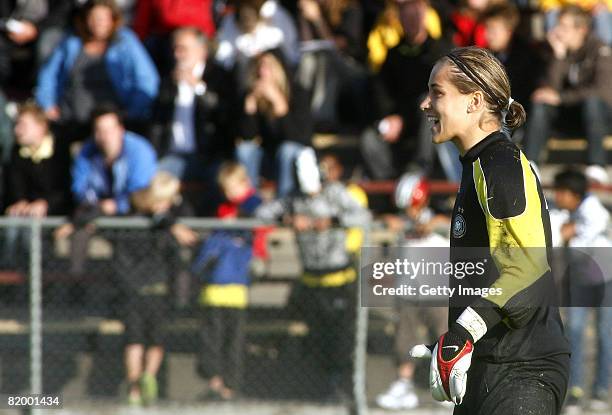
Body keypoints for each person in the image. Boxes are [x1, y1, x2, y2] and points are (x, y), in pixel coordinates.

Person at [412, 46, 570, 414]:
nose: (425, 104)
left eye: (437, 92)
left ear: (475, 101)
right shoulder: (479, 165)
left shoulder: (498, 163)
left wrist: (464, 330)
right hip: (492, 366)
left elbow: (528, 268)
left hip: (524, 370)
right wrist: (458, 339)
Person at [256, 148, 371, 400]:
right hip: (310, 280)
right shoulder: (293, 199)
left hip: (338, 279)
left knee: (341, 340)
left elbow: (363, 215)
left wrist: (332, 220)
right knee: (316, 338)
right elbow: (261, 213)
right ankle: (323, 389)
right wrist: (288, 219)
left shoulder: (335, 192)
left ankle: (345, 389)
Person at [118, 171, 198, 406]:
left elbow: (180, 218)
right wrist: (168, 221)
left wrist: (170, 218)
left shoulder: (173, 216)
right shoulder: (141, 218)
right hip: (138, 288)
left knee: (153, 340)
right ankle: (137, 384)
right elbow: (159, 218)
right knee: (136, 340)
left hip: (158, 289)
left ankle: (144, 380)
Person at [376, 171, 450, 410]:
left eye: (410, 206)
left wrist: (436, 224)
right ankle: (403, 385)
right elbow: (389, 223)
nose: (407, 211)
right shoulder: (403, 222)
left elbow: (447, 226)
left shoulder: (438, 221)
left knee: (445, 338)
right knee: (405, 338)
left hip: (438, 292)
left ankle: (449, 387)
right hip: (409, 291)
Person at [360, 0, 458, 181]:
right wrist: (391, 117)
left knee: (427, 104)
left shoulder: (440, 51)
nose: (411, 21)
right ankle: (388, 186)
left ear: (424, 17)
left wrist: (405, 115)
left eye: (415, 15)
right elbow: (382, 92)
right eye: (406, 16)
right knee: (369, 138)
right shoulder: (393, 54)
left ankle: (419, 170)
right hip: (400, 123)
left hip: (429, 123)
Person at [36, 0, 159, 142]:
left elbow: (147, 79)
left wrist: (133, 111)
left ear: (113, 19)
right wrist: (47, 104)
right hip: (71, 117)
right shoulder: (72, 42)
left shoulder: (125, 42)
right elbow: (49, 75)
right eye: (93, 18)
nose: (98, 23)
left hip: (112, 121)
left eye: (103, 18)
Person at [192, 162, 262, 400]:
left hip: (236, 286)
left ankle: (230, 385)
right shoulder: (222, 210)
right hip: (215, 287)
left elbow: (260, 213)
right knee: (212, 339)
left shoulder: (252, 208)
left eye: (233, 189)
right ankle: (215, 382)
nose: (230, 195)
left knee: (233, 340)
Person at [522, 6, 612, 181]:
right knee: (540, 103)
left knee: (593, 102)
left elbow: (603, 92)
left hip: (597, 119)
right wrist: (559, 57)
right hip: (567, 117)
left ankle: (597, 165)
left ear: (582, 30)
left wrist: (562, 98)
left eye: (564, 27)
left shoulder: (600, 50)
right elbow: (548, 90)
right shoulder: (553, 50)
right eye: (557, 26)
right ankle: (530, 164)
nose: (557, 32)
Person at [552, 169, 611, 414]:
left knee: (604, 333)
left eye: (559, 192)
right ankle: (575, 389)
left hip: (605, 280)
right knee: (574, 332)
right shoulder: (570, 213)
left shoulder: (593, 209)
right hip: (580, 281)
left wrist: (572, 232)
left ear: (572, 194)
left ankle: (600, 388)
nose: (556, 197)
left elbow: (589, 234)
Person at [150, 27, 236, 181]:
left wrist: (199, 88)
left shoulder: (218, 75)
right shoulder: (168, 80)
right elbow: (158, 120)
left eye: (183, 49)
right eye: (175, 49)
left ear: (202, 50)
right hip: (172, 156)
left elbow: (224, 114)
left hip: (208, 156)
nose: (177, 55)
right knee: (150, 178)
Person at [237, 51, 313, 197]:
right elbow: (247, 137)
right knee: (245, 150)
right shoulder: (250, 95)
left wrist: (280, 106)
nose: (262, 72)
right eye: (259, 67)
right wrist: (250, 109)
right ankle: (249, 201)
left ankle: (284, 202)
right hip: (266, 159)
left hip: (291, 159)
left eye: (268, 67)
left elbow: (300, 138)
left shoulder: (297, 93)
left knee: (287, 149)